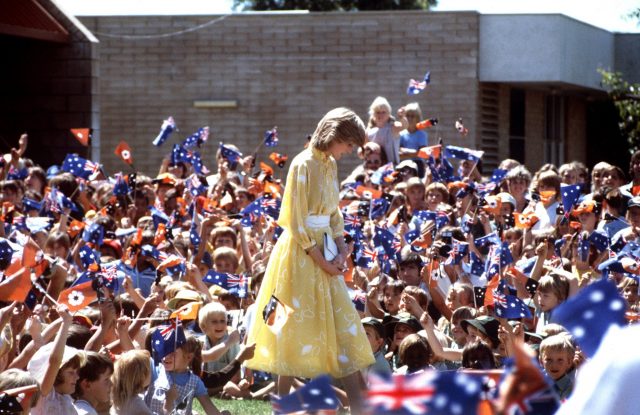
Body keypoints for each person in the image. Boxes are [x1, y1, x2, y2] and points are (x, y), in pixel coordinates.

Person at [245, 107, 374, 411]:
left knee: (345, 329)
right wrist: (326, 262)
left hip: (326, 250)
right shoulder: (302, 164)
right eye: (349, 144)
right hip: (298, 258)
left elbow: (334, 214)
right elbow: (296, 221)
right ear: (337, 136)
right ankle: (281, 408)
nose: (349, 151)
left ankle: (359, 407)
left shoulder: (329, 165)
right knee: (289, 331)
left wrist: (342, 249)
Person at [366, 97, 408, 165]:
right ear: (373, 114)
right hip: (374, 169)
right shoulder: (369, 132)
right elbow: (362, 153)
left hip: (391, 169)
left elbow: (404, 126)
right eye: (378, 112)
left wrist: (402, 117)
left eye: (383, 112)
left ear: (388, 113)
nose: (380, 115)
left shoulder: (393, 128)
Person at [110, 350, 153, 415]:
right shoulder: (137, 405)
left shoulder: (119, 398)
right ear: (142, 377)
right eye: (150, 370)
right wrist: (168, 405)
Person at [539, 334, 576, 399]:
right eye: (549, 360)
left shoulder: (573, 390)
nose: (554, 365)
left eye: (560, 360)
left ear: (569, 362)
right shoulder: (535, 383)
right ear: (541, 361)